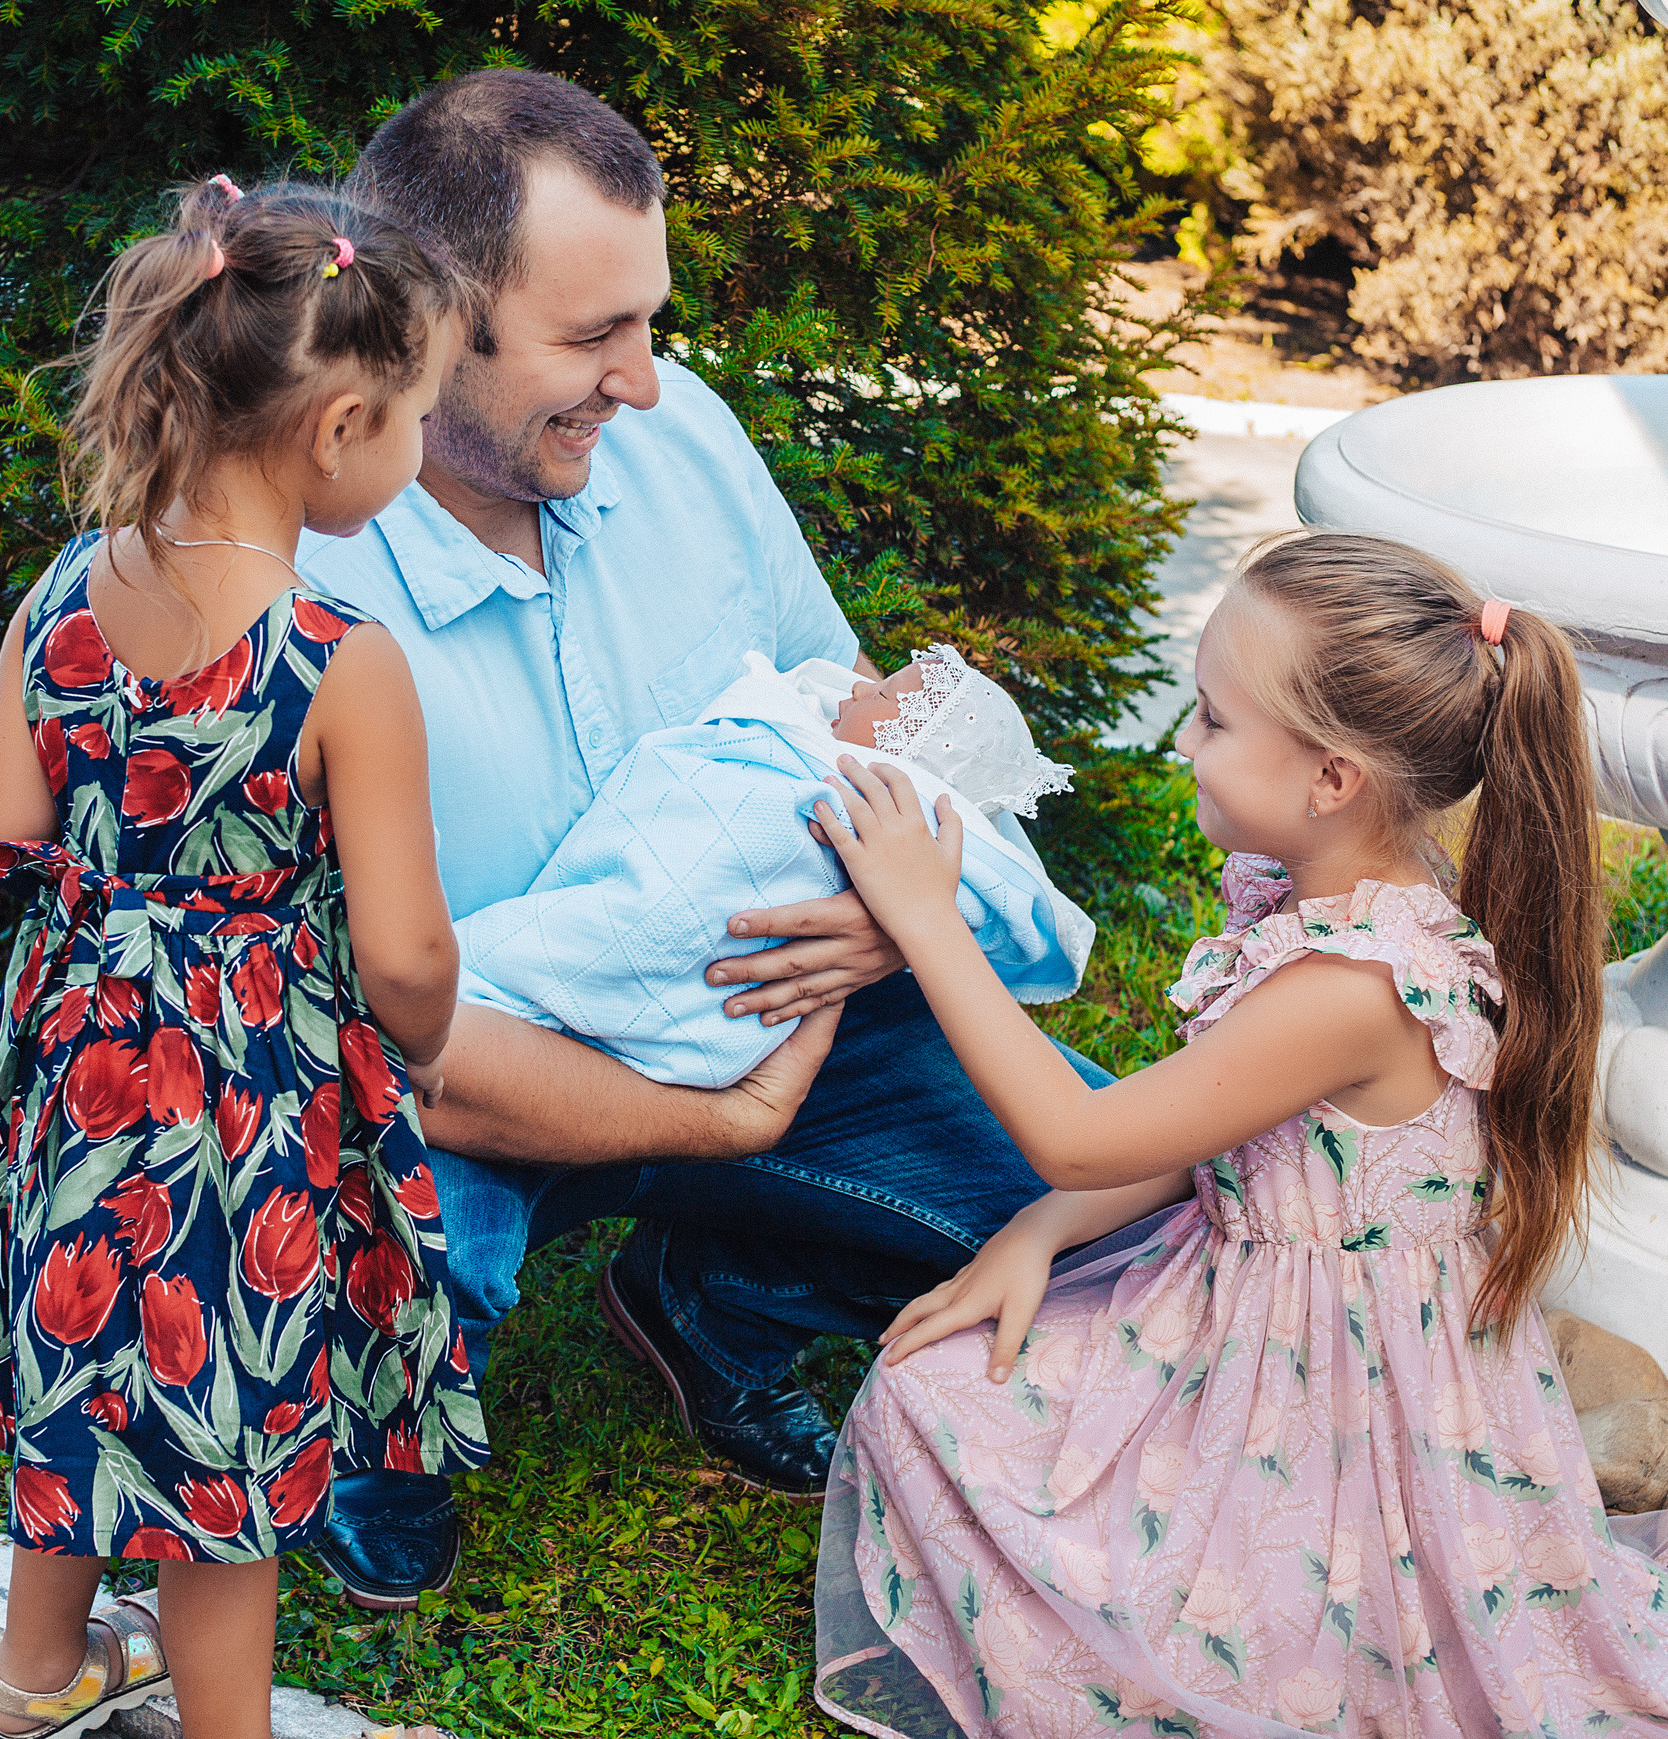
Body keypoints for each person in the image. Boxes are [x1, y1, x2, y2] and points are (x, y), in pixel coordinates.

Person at [805, 532, 1668, 1737]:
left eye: (1211, 720)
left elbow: (1077, 1132)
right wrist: (1032, 1236)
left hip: (1327, 1398)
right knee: (942, 1382)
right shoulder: (1345, 904)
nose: (1183, 741)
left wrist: (923, 913)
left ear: (1331, 779)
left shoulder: (1353, 985)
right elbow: (1206, 1126)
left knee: (939, 1414)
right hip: (1247, 1313)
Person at [297, 67, 1118, 1608]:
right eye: (594, 337)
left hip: (756, 1006)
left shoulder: (687, 445)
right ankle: (375, 1428)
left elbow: (837, 712)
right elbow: (359, 1029)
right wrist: (719, 1122)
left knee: (1102, 1211)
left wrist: (892, 901)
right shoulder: (291, 562)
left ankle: (713, 1295)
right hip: (438, 1078)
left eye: (651, 322)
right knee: (366, 1176)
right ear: (424, 323)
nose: (647, 382)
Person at [0, 178, 483, 1739]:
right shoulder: (339, 664)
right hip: (240, 1099)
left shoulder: (65, 590)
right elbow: (403, 949)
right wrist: (435, 1034)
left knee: (83, 1348)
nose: (414, 451)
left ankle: (35, 1670)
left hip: (71, 1059)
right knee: (221, 1425)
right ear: (333, 429)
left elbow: (4, 814)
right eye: (412, 420)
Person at [459, 644, 1093, 1089]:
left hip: (732, 954)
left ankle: (499, 977)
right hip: (686, 915)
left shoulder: (870, 802)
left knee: (643, 921)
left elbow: (750, 841)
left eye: (883, 694)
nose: (856, 687)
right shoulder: (803, 742)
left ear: (906, 750)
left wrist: (906, 926)